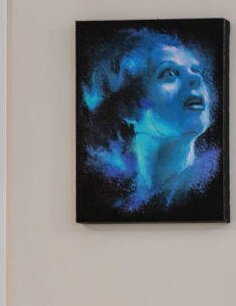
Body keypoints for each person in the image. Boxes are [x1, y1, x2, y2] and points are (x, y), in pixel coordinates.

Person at [79, 28, 220, 217]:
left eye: (195, 70)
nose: (196, 78)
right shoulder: (120, 207)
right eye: (169, 73)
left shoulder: (214, 183)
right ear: (128, 107)